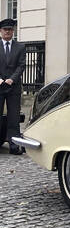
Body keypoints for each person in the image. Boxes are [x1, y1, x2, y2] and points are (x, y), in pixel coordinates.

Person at [0, 18, 26, 155]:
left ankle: (14, 145)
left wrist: (12, 79)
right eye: (5, 29)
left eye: (10, 29)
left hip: (13, 87)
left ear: (13, 31)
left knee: (13, 118)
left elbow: (21, 66)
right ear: (0, 31)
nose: (7, 32)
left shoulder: (20, 47)